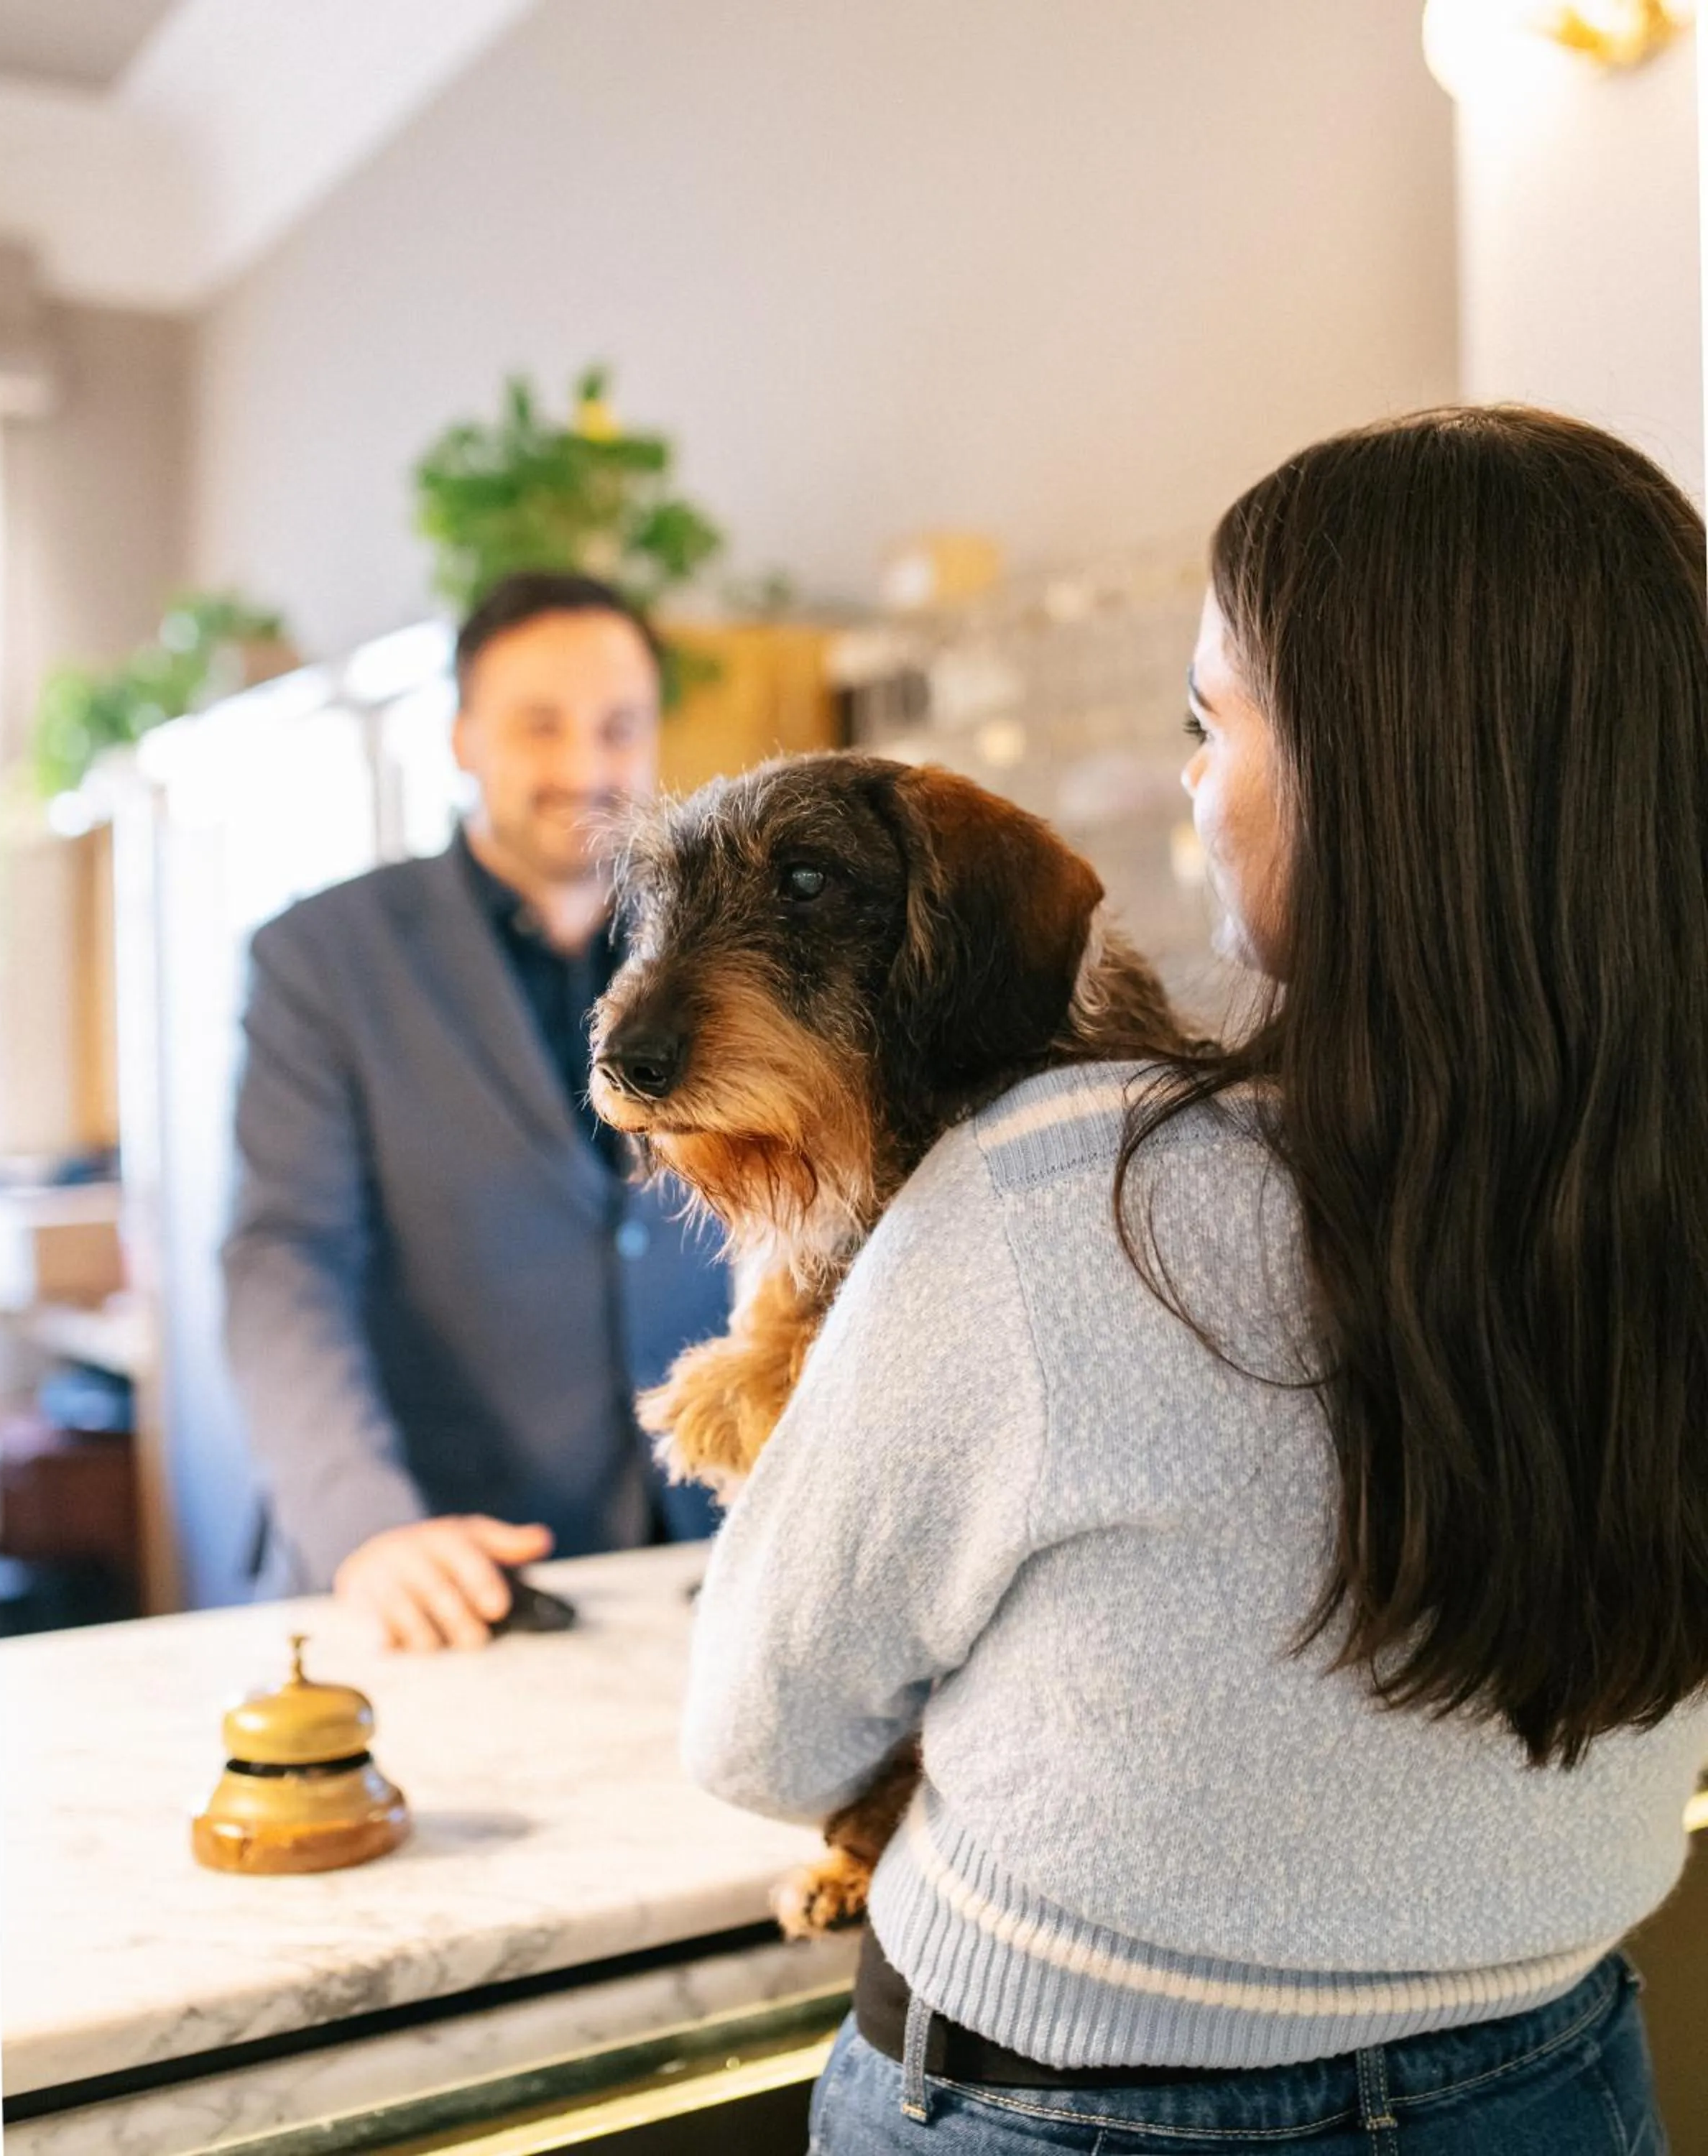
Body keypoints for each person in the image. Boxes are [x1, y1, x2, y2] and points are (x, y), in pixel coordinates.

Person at [683, 408, 1708, 2152]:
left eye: (1208, 720)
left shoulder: (1061, 1203)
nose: (1189, 780)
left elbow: (763, 1737)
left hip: (1066, 2112)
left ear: (1374, 775)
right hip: (1557, 2075)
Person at [223, 571, 730, 1649]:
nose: (587, 768)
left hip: (708, 1562)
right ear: (461, 737)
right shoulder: (321, 960)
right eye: (539, 727)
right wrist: (365, 1527)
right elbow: (286, 1259)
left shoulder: (724, 952)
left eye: (618, 727)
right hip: (444, 1573)